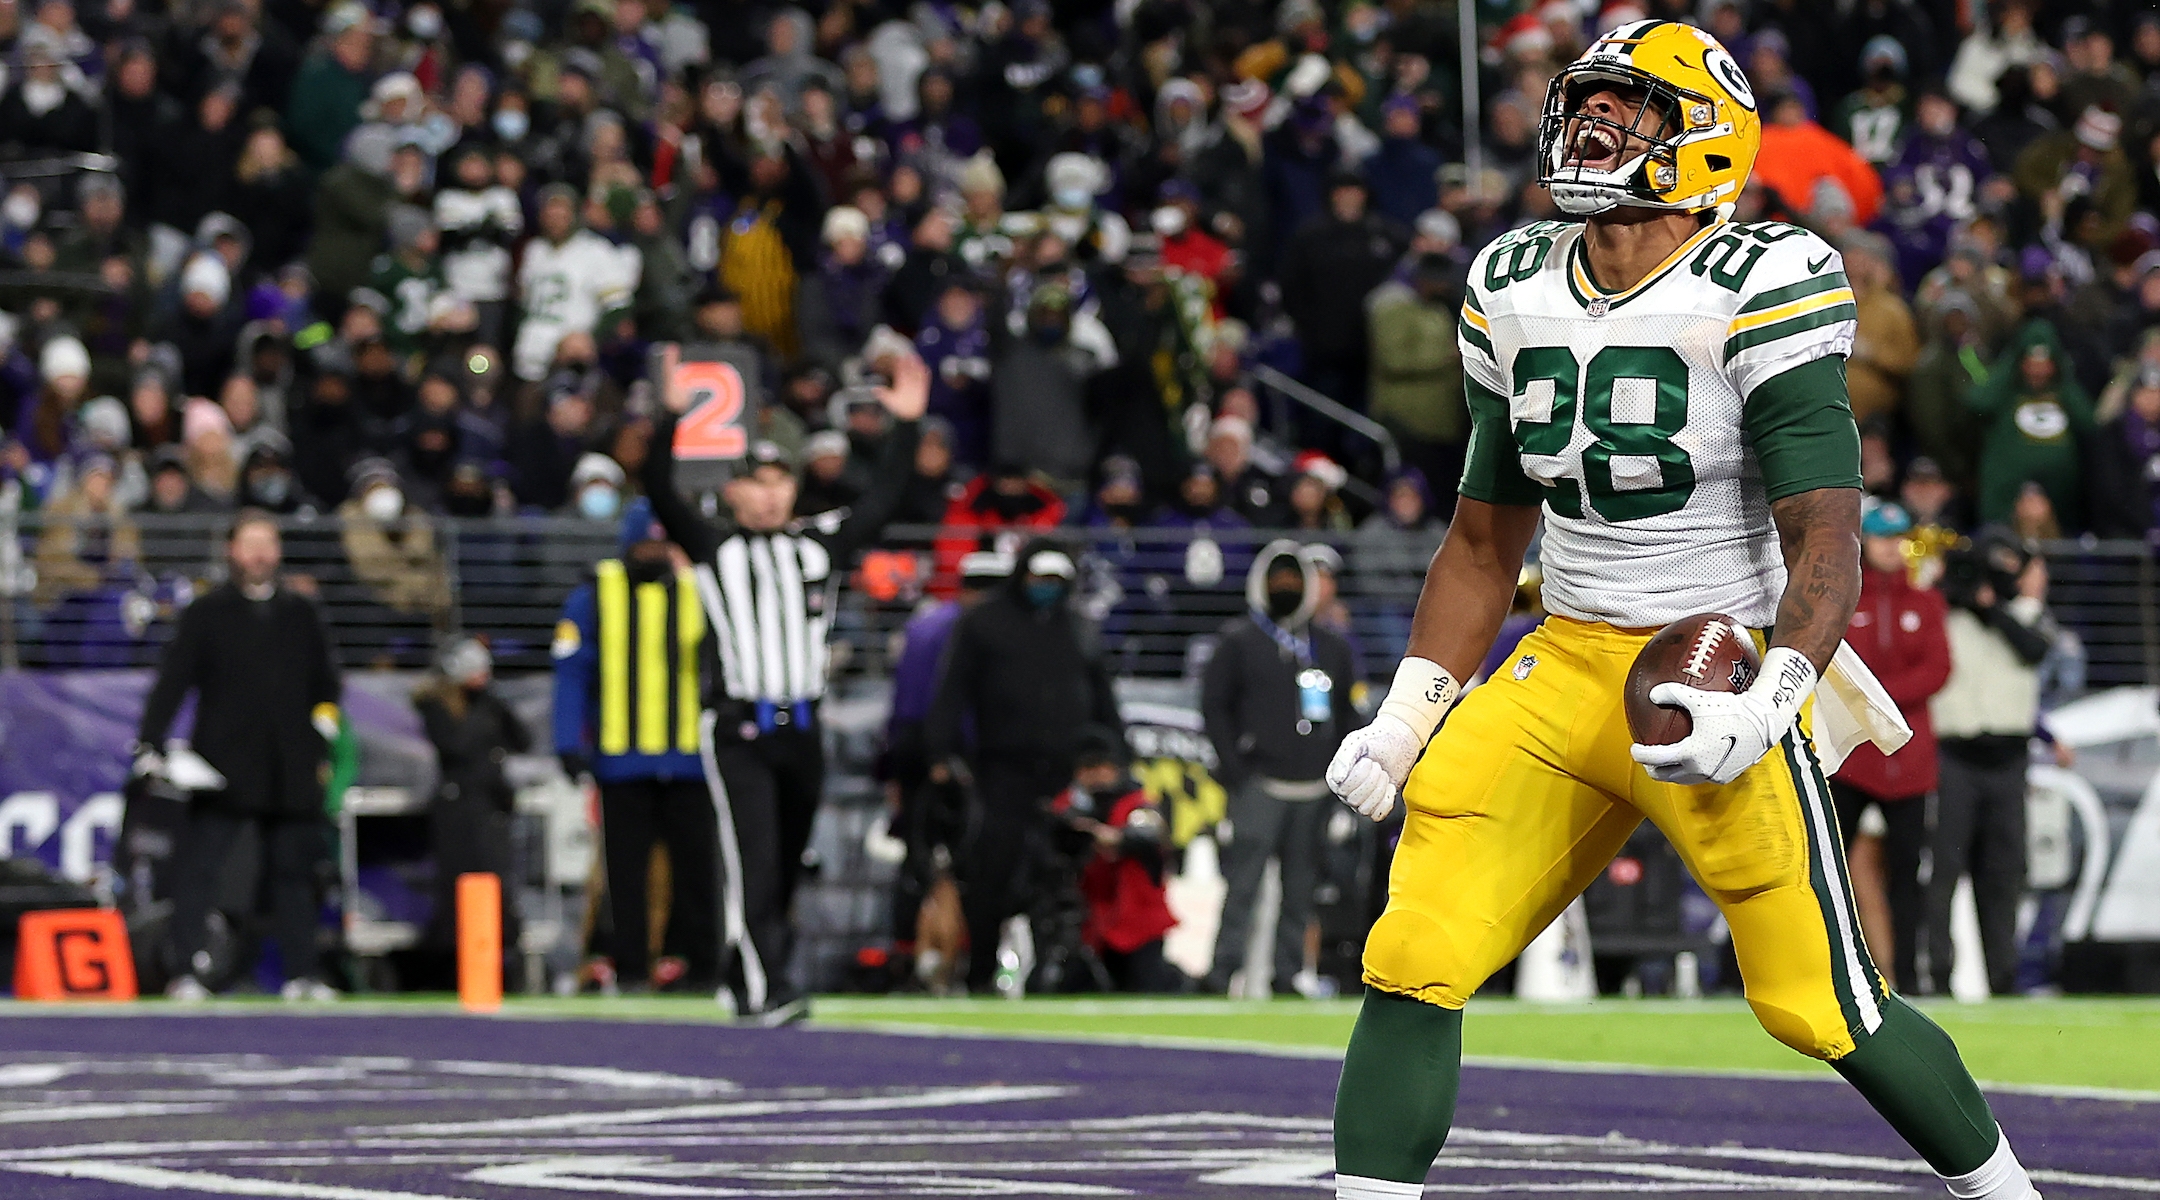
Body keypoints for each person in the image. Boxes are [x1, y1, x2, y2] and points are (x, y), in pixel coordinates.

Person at [1321, 26, 2042, 1200]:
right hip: (1560, 662)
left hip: (1713, 663)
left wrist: (1775, 697)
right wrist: (1407, 718)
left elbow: (1826, 529)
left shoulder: (1762, 278)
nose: (1594, 131)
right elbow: (1483, 533)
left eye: (1632, 112)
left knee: (1819, 1002)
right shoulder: (1510, 281)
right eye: (1587, 106)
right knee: (1415, 949)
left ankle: (2009, 1193)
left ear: (1707, 140)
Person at [638, 351, 928, 1022]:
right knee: (755, 864)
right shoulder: (714, 548)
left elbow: (882, 503)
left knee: (789, 861)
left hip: (803, 728)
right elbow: (656, 486)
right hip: (740, 728)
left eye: (779, 480)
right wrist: (670, 417)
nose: (768, 493)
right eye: (755, 482)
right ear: (732, 492)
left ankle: (743, 978)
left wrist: (905, 427)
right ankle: (771, 988)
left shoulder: (817, 547)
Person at [135, 513, 342, 1002]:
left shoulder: (302, 613)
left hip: (288, 769)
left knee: (294, 875)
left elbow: (327, 686)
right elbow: (174, 681)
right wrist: (151, 741)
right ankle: (185, 972)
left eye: (267, 543)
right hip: (223, 767)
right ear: (231, 550)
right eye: (250, 543)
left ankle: (301, 974)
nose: (259, 554)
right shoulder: (208, 612)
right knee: (201, 869)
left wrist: (320, 741)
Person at [924, 543, 1124, 993]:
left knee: (1061, 880)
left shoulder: (1078, 628)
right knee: (992, 873)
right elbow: (952, 691)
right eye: (1039, 580)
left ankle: (1055, 976)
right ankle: (979, 973)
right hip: (1002, 771)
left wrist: (1115, 758)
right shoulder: (984, 622)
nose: (1047, 590)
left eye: (1056, 582)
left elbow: (1103, 699)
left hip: (1065, 774)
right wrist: (940, 753)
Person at [551, 500, 718, 992]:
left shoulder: (698, 590)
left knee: (697, 870)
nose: (654, 553)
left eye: (661, 544)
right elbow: (571, 671)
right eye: (645, 544)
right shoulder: (596, 594)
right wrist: (568, 741)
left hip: (690, 757)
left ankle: (702, 965)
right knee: (625, 874)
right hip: (622, 759)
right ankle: (631, 966)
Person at [1201, 541, 1361, 997]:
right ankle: (1221, 973)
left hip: (1313, 788)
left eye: (1295, 579)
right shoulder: (1238, 642)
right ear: (1260, 584)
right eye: (1278, 579)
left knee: (1301, 890)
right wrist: (1235, 769)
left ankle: (1287, 975)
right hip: (1259, 785)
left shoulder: (1331, 647)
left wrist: (1338, 775)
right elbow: (1214, 708)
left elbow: (1349, 712)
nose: (1287, 587)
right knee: (1243, 885)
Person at [1928, 531, 2057, 998]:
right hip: (1955, 753)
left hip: (2009, 756)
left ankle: (2004, 975)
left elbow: (2035, 649)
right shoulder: (1943, 611)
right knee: (1945, 867)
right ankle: (1937, 974)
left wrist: (1989, 607)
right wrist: (1958, 589)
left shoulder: (2026, 615)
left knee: (2005, 870)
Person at [1832, 501, 1950, 996]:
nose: (1888, 547)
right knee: (1827, 868)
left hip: (1909, 760)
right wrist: (1879, 702)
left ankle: (1910, 974)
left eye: (1896, 537)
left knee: (1908, 875)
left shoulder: (1925, 601)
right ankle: (1828, 971)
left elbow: (1938, 669)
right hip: (1854, 757)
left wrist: (1877, 697)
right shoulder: (1842, 596)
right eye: (1879, 538)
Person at [413, 637, 529, 979]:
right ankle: (453, 965)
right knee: (460, 885)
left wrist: (491, 703)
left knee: (495, 882)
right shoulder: (436, 705)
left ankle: (502, 960)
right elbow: (455, 746)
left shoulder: (490, 705)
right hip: (457, 807)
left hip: (490, 805)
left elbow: (521, 740)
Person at [1048, 727, 1179, 992]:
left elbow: (1148, 835)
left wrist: (1114, 839)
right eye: (1087, 768)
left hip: (1136, 925)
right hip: (1085, 926)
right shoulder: (1068, 806)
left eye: (1102, 766)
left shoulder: (1139, 803)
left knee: (1148, 987)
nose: (1095, 775)